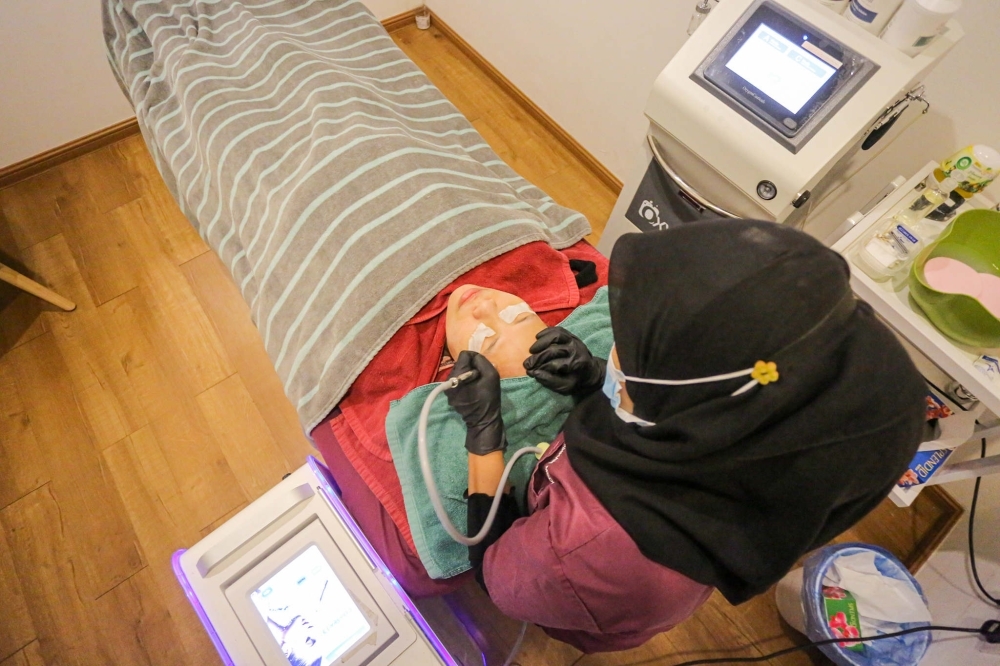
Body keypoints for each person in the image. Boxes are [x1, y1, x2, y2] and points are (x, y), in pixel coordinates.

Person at [444, 220, 927, 653]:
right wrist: (596, 381)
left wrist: (484, 435)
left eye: (628, 362)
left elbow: (494, 575)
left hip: (567, 590)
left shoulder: (584, 556)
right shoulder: (745, 447)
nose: (487, 309)